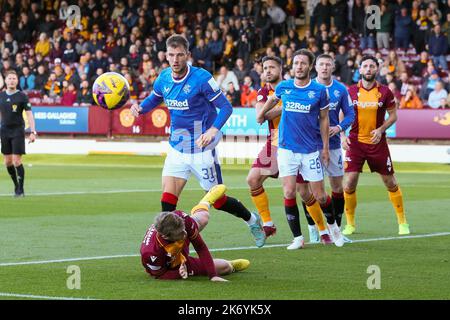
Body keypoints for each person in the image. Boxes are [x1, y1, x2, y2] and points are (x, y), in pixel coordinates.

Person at [130, 34, 266, 248]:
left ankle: (252, 220)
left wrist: (213, 130)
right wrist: (140, 107)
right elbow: (155, 98)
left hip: (203, 148)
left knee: (219, 201)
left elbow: (226, 107)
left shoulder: (201, 78)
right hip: (177, 147)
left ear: (188, 55)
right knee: (167, 199)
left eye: (180, 55)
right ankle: (167, 245)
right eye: (171, 55)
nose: (175, 60)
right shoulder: (164, 78)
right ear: (166, 55)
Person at [258, 49, 337, 250]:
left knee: (319, 195)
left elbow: (324, 119)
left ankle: (333, 226)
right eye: (296, 63)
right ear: (292, 66)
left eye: (303, 63)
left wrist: (326, 148)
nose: (299, 66)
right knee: (289, 191)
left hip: (310, 150)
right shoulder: (284, 86)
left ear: (310, 66)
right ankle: (298, 238)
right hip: (286, 149)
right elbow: (272, 99)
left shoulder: (319, 91)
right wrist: (262, 114)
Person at [342, 55, 410, 236]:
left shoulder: (386, 92)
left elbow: (393, 116)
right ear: (360, 70)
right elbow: (342, 116)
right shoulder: (350, 92)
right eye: (365, 66)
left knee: (390, 181)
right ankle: (350, 224)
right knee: (349, 182)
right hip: (355, 142)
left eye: (372, 66)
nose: (369, 69)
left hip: (377, 143)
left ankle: (402, 221)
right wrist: (342, 134)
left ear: (377, 70)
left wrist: (380, 130)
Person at [298, 54, 355, 244]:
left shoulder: (340, 89)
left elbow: (350, 114)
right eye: (321, 64)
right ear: (315, 67)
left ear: (333, 67)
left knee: (337, 187)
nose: (324, 68)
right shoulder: (309, 87)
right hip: (310, 146)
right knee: (309, 190)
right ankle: (314, 228)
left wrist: (339, 128)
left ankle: (336, 230)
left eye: (327, 65)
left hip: (333, 146)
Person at [141, 184, 250, 281]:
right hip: (173, 265)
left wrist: (213, 276)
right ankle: (232, 265)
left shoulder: (181, 218)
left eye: (184, 230)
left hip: (176, 241)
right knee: (225, 267)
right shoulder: (151, 253)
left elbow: (200, 246)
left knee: (204, 218)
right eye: (180, 234)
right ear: (165, 236)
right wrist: (178, 272)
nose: (184, 234)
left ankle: (206, 201)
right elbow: (160, 275)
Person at [247, 56, 283, 238]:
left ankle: (324, 229)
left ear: (281, 70)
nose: (268, 71)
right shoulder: (263, 92)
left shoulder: (292, 88)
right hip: (274, 141)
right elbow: (260, 116)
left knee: (306, 191)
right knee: (253, 180)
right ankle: (268, 224)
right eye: (265, 68)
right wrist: (285, 108)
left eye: (272, 67)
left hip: (297, 142)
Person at [0, 70, 37, 197]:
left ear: (17, 81)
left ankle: (20, 189)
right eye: (9, 78)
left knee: (16, 161)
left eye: (14, 78)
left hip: (17, 131)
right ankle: (16, 185)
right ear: (5, 81)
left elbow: (29, 114)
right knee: (7, 162)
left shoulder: (22, 96)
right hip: (4, 131)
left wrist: (32, 132)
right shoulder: (1, 96)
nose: (11, 80)